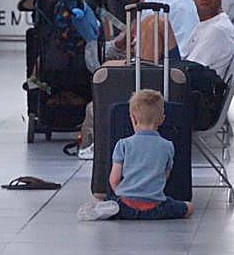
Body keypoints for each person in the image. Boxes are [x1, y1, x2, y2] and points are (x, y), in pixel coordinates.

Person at [77, 89, 193, 221]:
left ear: (132, 118)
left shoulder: (123, 144)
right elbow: (164, 176)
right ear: (162, 119)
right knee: (189, 207)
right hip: (155, 207)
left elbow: (114, 179)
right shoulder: (167, 146)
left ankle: (108, 208)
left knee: (113, 203)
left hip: (125, 205)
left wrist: (121, 195)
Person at [183, 0, 234, 80]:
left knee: (157, 25)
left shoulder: (217, 30)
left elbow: (188, 72)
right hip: (188, 86)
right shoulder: (206, 24)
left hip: (194, 92)